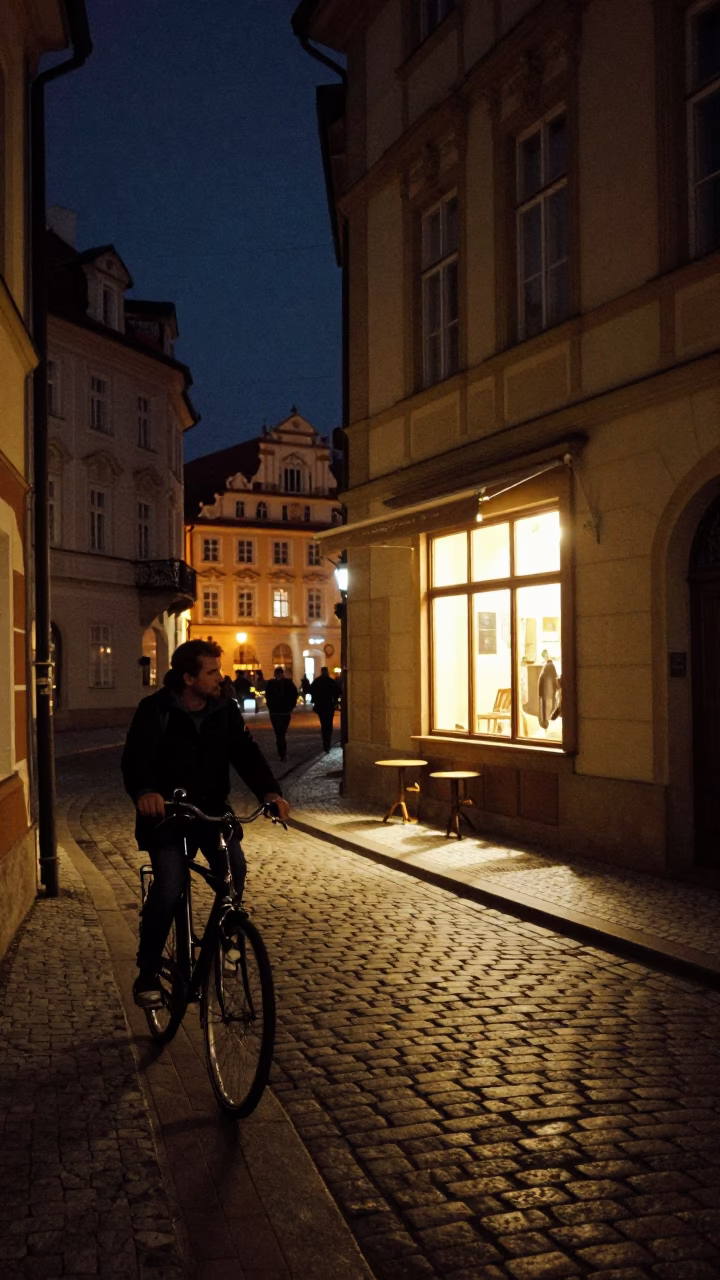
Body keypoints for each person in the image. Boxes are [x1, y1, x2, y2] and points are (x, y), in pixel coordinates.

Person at [121, 639, 289, 1009]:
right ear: (188, 677)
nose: (220, 677)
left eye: (218, 669)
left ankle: (228, 941)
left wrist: (269, 793)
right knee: (169, 886)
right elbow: (135, 759)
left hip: (211, 813)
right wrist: (146, 791)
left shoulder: (225, 710)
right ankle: (147, 972)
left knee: (236, 868)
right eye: (211, 671)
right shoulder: (155, 710)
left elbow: (246, 755)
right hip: (165, 816)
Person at [264, 665, 298, 762]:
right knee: (279, 733)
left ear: (282, 674)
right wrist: (270, 706)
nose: (278, 676)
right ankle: (282, 752)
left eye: (279, 674)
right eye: (277, 674)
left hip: (284, 712)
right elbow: (267, 696)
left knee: (281, 733)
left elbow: (294, 695)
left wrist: (291, 706)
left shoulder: (288, 683)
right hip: (275, 712)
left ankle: (282, 752)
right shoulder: (271, 683)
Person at [309, 665, 340, 752]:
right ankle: (327, 741)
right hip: (329, 705)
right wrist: (335, 702)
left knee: (323, 724)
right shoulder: (331, 681)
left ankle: (325, 741)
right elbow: (337, 692)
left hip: (320, 706)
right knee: (329, 724)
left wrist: (315, 699)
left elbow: (311, 690)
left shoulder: (317, 681)